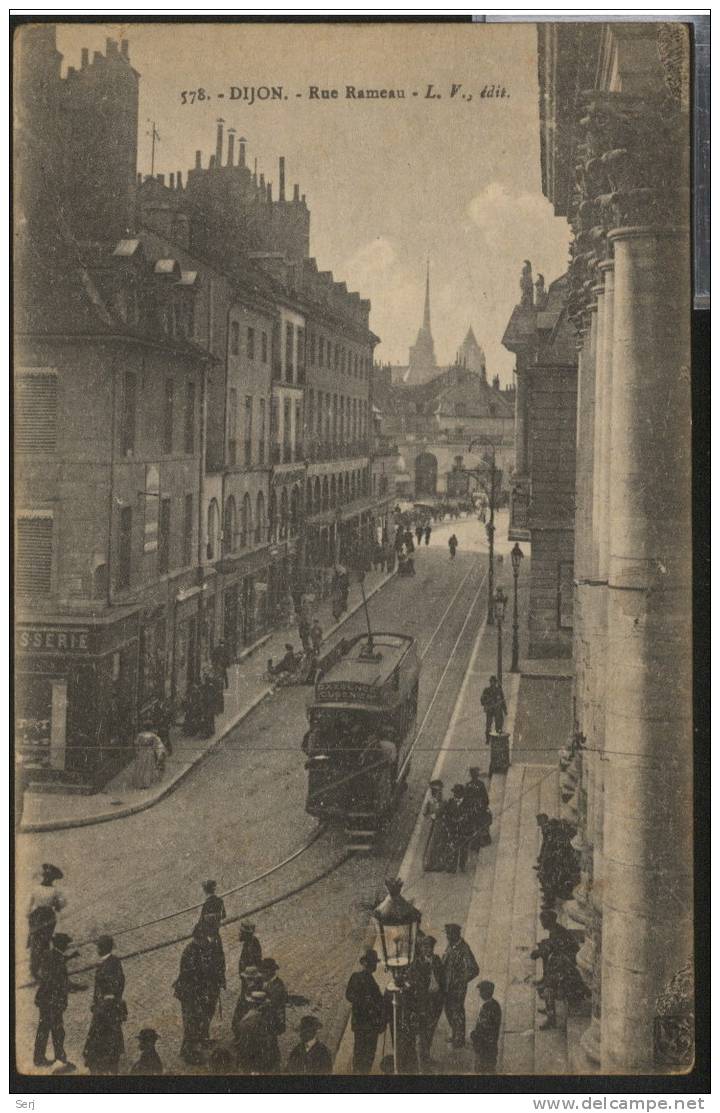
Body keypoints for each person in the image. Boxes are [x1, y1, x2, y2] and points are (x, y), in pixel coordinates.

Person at [83, 935, 127, 1075]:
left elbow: (111, 989)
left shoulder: (107, 965)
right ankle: (109, 1064)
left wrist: (101, 1005)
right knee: (111, 1037)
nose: (96, 949)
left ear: (101, 948)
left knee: (102, 1038)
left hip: (106, 1009)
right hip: (109, 1007)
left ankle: (103, 1067)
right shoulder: (113, 961)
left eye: (98, 946)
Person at [33, 932, 76, 1069]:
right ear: (62, 945)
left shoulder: (50, 955)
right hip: (53, 1000)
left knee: (44, 1029)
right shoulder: (57, 958)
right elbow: (59, 980)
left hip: (44, 999)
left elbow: (57, 961)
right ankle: (60, 1059)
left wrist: (70, 957)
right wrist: (77, 986)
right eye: (66, 945)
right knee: (58, 1030)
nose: (67, 947)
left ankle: (39, 1058)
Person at [173, 924, 213, 1066]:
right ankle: (190, 1054)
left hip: (195, 992)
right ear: (198, 938)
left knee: (194, 1021)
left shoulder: (198, 949)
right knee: (191, 1022)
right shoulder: (190, 952)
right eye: (204, 939)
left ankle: (188, 1049)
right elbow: (190, 976)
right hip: (189, 993)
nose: (206, 942)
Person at [345, 948, 386, 1074]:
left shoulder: (372, 981)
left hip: (370, 1024)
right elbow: (349, 995)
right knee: (361, 1053)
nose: (374, 966)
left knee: (368, 1055)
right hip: (363, 1024)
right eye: (372, 963)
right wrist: (363, 1001)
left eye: (374, 963)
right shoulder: (357, 977)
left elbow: (378, 1001)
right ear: (365, 964)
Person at [409, 934, 444, 1069]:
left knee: (431, 1030)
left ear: (433, 948)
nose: (427, 949)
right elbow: (412, 982)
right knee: (423, 1032)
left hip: (436, 1002)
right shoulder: (416, 964)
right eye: (424, 947)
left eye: (429, 947)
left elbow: (442, 977)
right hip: (424, 1003)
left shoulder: (436, 960)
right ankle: (422, 1061)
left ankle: (426, 1056)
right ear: (421, 949)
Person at [441, 924, 479, 1049]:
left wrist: (461, 981)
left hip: (457, 989)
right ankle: (455, 1033)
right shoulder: (451, 946)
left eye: (449, 934)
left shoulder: (464, 949)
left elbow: (474, 969)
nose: (446, 937)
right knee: (449, 1010)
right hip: (447, 986)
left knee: (457, 1012)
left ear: (455, 934)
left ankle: (460, 1038)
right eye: (446, 934)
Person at [27, 863, 66, 982]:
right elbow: (60, 905)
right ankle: (43, 968)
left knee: (35, 943)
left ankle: (34, 969)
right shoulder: (55, 891)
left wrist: (30, 916)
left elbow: (27, 906)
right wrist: (56, 906)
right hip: (48, 918)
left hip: (36, 917)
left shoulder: (35, 888)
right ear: (53, 879)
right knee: (45, 943)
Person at [234, 991, 280, 1074]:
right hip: (258, 1059)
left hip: (249, 1058)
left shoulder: (246, 1018)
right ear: (262, 1005)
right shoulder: (263, 1019)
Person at [470, 981, 502, 1073]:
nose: (479, 994)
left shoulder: (486, 1008)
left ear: (485, 993)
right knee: (490, 1065)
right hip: (492, 1044)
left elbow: (483, 1028)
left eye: (480, 991)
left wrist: (474, 1035)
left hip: (484, 1045)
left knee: (482, 1067)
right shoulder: (496, 1005)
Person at [422, 781, 452, 872]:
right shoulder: (430, 803)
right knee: (430, 845)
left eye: (440, 792)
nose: (440, 794)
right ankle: (428, 863)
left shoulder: (444, 802)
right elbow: (425, 813)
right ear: (434, 793)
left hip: (441, 826)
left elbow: (448, 813)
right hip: (431, 827)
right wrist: (431, 816)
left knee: (440, 844)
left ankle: (439, 863)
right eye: (438, 792)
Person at [442, 785, 470, 874]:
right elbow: (446, 814)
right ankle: (451, 867)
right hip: (453, 829)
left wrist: (463, 819)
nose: (455, 795)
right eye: (454, 793)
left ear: (461, 794)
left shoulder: (467, 803)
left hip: (463, 830)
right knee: (452, 847)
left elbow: (469, 815)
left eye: (457, 793)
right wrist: (449, 823)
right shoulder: (450, 802)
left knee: (463, 848)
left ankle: (462, 865)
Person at [464, 768, 492, 850]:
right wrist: (485, 804)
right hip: (480, 807)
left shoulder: (468, 785)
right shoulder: (480, 784)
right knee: (483, 824)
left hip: (472, 809)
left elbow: (466, 799)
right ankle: (485, 840)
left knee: (475, 825)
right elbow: (485, 797)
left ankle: (476, 843)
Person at [260, 958, 287, 1038]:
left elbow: (273, 1003)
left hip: (275, 1019)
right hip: (268, 1017)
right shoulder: (268, 982)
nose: (261, 974)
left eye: (263, 972)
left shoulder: (278, 985)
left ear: (270, 971)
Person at [480, 676, 507, 743]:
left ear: (495, 683)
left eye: (494, 682)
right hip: (490, 710)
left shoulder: (499, 690)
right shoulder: (487, 690)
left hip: (497, 709)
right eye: (491, 682)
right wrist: (486, 702)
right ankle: (488, 739)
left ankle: (497, 737)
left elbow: (502, 700)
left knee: (498, 723)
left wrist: (505, 709)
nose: (492, 683)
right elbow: (482, 700)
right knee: (488, 725)